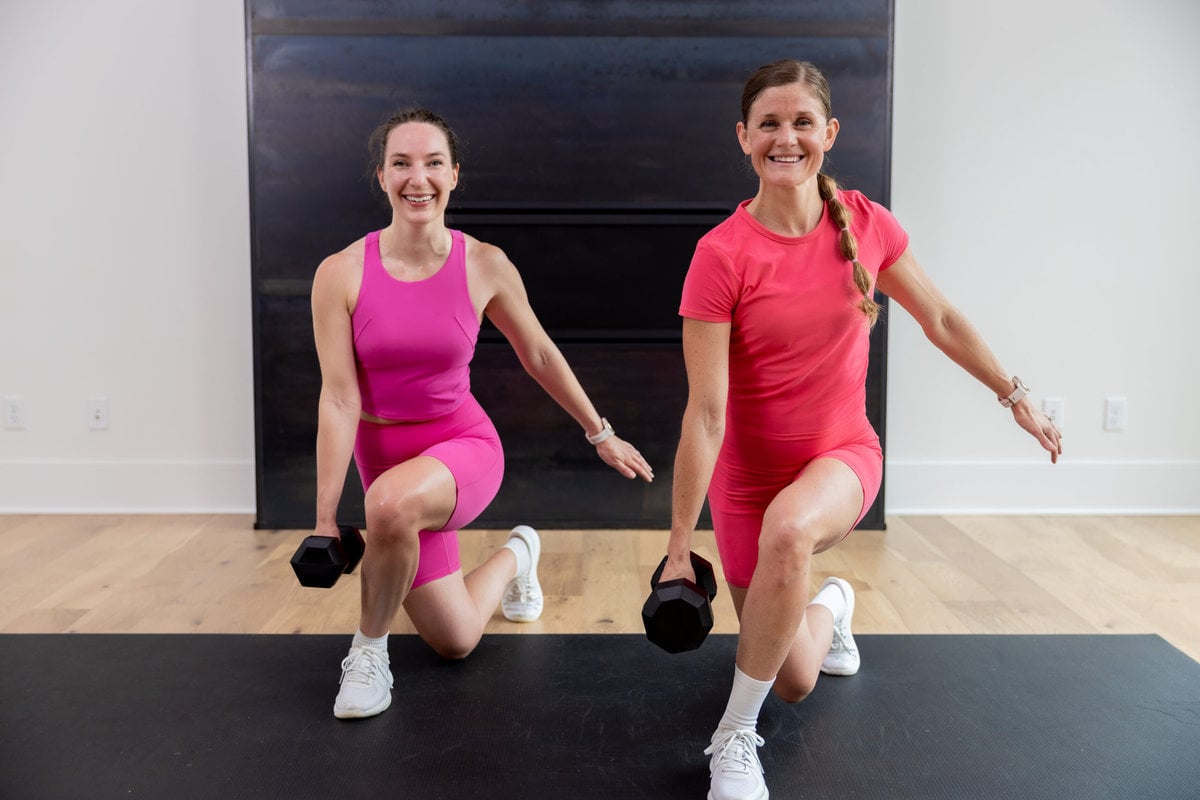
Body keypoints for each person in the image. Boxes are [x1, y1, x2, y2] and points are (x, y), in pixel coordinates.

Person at [660, 59, 1063, 799]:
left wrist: (1015, 395)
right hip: (746, 482)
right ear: (744, 137)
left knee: (789, 533)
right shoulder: (720, 256)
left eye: (802, 122)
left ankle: (732, 738)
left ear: (830, 133)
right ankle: (833, 606)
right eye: (770, 124)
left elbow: (939, 318)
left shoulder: (867, 225)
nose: (787, 138)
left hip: (840, 456)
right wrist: (681, 542)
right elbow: (707, 412)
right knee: (792, 679)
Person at [310, 108, 653, 720]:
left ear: (455, 175)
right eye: (402, 163)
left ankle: (367, 654)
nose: (419, 178)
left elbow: (540, 354)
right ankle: (520, 554)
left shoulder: (484, 264)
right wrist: (324, 518)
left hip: (462, 448)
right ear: (382, 177)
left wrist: (599, 431)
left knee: (390, 505)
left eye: (434, 163)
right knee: (457, 639)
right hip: (384, 461)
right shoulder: (339, 274)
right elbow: (339, 398)